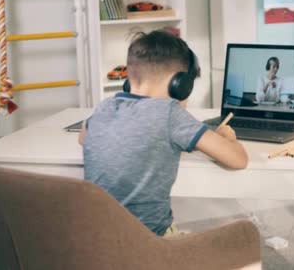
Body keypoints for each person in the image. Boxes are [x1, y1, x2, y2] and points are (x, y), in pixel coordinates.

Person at [79, 30, 248, 236]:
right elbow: (238, 159)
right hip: (150, 244)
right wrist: (228, 137)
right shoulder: (170, 113)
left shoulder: (105, 107)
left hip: (97, 243)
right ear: (180, 84)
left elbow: (83, 137)